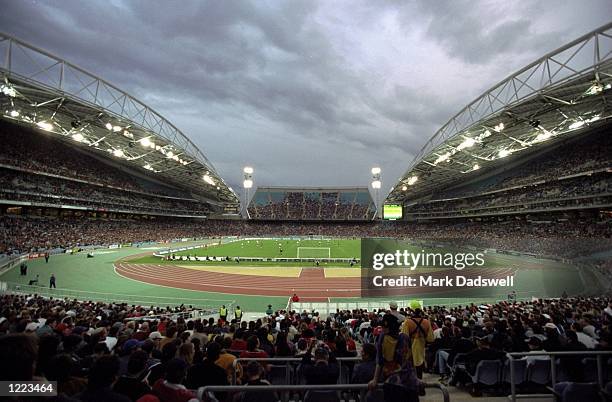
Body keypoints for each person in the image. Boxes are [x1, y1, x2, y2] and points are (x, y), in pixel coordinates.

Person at [369, 314, 421, 400]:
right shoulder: (405, 337)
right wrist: (415, 378)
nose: (382, 329)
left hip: (392, 383)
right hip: (409, 382)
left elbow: (380, 362)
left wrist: (375, 379)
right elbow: (410, 362)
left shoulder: (382, 338)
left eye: (384, 327)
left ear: (388, 328)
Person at [401, 308, 434, 379]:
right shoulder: (426, 322)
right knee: (420, 367)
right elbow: (430, 338)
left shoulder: (408, 322)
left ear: (413, 313)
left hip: (410, 347)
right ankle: (420, 381)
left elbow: (404, 337)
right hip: (422, 347)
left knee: (411, 367)